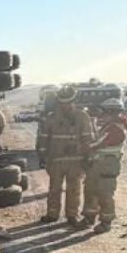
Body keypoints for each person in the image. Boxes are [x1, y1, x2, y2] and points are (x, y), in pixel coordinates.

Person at [37, 85, 95, 224]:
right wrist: (42, 156)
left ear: (74, 101)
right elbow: (43, 138)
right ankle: (52, 214)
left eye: (68, 102)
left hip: (76, 161)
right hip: (56, 160)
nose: (66, 105)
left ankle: (72, 215)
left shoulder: (82, 116)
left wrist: (89, 156)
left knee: (74, 189)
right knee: (54, 189)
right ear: (59, 102)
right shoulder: (51, 118)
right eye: (63, 102)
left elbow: (88, 138)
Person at [79, 98, 127, 233]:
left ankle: (106, 222)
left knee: (105, 193)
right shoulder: (108, 126)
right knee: (90, 190)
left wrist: (83, 148)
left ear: (112, 112)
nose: (101, 114)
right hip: (98, 163)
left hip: (108, 164)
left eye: (104, 112)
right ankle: (89, 218)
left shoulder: (116, 129)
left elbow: (99, 144)